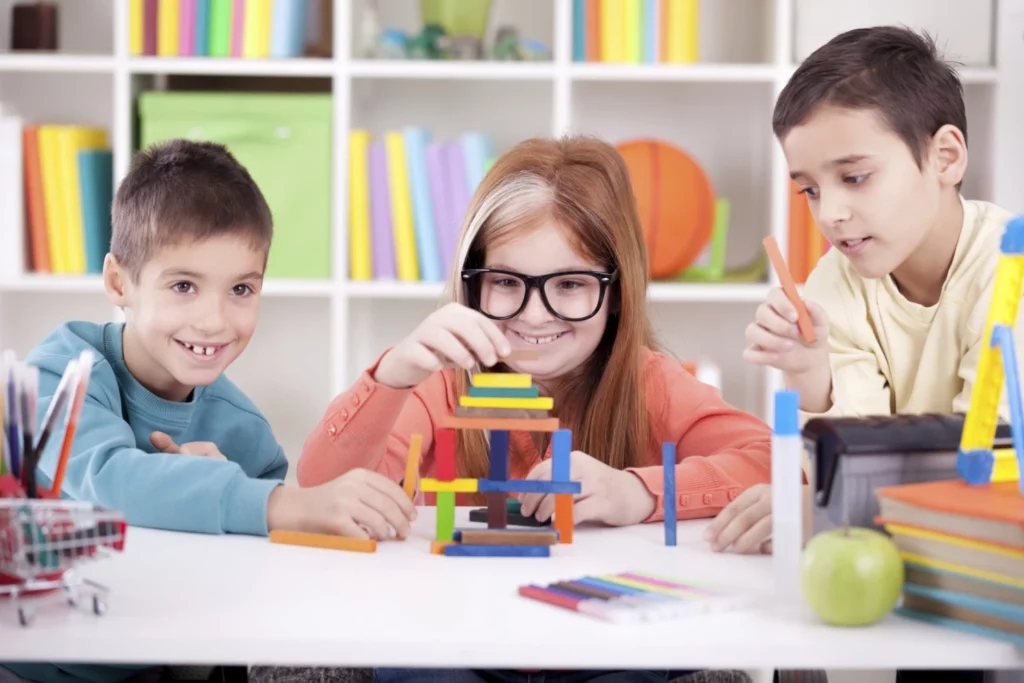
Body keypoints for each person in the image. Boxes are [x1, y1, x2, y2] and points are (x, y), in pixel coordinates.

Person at [298, 134, 773, 683]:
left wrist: (635, 491)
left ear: (617, 291)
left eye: (570, 284)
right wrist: (393, 375)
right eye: (505, 282)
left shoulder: (649, 384)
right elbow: (322, 493)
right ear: (471, 285)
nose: (535, 314)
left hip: (604, 645)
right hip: (454, 639)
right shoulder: (439, 385)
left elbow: (770, 459)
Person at [4, 139, 414, 683]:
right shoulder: (61, 374)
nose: (215, 321)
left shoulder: (247, 435)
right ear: (117, 282)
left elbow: (248, 587)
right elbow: (108, 481)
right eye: (183, 286)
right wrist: (274, 503)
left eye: (241, 288)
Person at [711, 25, 1006, 683]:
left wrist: (825, 493)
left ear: (946, 156)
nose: (831, 213)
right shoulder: (831, 283)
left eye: (855, 176)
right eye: (811, 189)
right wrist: (812, 376)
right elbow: (858, 442)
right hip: (892, 558)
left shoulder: (1007, 270)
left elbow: (982, 456)